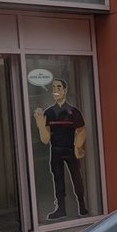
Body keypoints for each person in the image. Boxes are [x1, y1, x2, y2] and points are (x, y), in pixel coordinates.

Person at [33, 78, 88, 220]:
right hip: (56, 150)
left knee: (76, 178)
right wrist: (40, 126)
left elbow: (82, 131)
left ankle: (81, 205)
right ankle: (61, 208)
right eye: (53, 87)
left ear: (65, 90)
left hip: (70, 150)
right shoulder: (49, 112)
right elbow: (45, 139)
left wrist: (77, 146)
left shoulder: (73, 112)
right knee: (58, 179)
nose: (56, 90)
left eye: (58, 87)